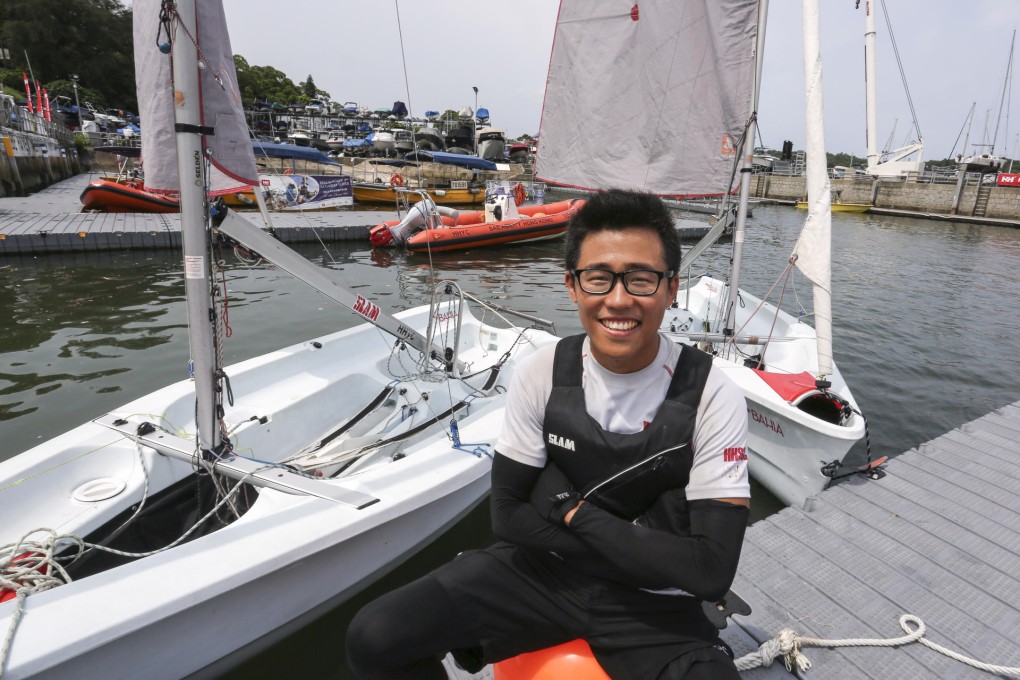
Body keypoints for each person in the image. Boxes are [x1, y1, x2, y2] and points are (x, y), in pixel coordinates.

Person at [346, 188, 750, 680]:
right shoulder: (542, 372)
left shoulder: (711, 394)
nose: (618, 300)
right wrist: (649, 552)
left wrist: (569, 509)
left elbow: (709, 571)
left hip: (656, 604)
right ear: (573, 286)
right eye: (599, 279)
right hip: (545, 574)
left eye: (641, 279)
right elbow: (507, 516)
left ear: (670, 288)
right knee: (375, 635)